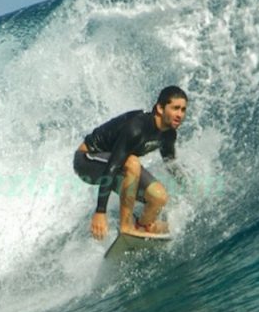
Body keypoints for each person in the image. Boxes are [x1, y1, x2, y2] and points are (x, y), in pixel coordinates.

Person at [73, 86, 188, 240]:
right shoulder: (137, 128)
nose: (180, 114)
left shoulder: (168, 135)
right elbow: (112, 166)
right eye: (175, 108)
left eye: (183, 110)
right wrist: (100, 211)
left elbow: (170, 163)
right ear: (160, 108)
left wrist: (187, 186)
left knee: (159, 197)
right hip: (87, 160)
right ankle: (126, 226)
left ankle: (141, 226)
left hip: (116, 167)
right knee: (132, 163)